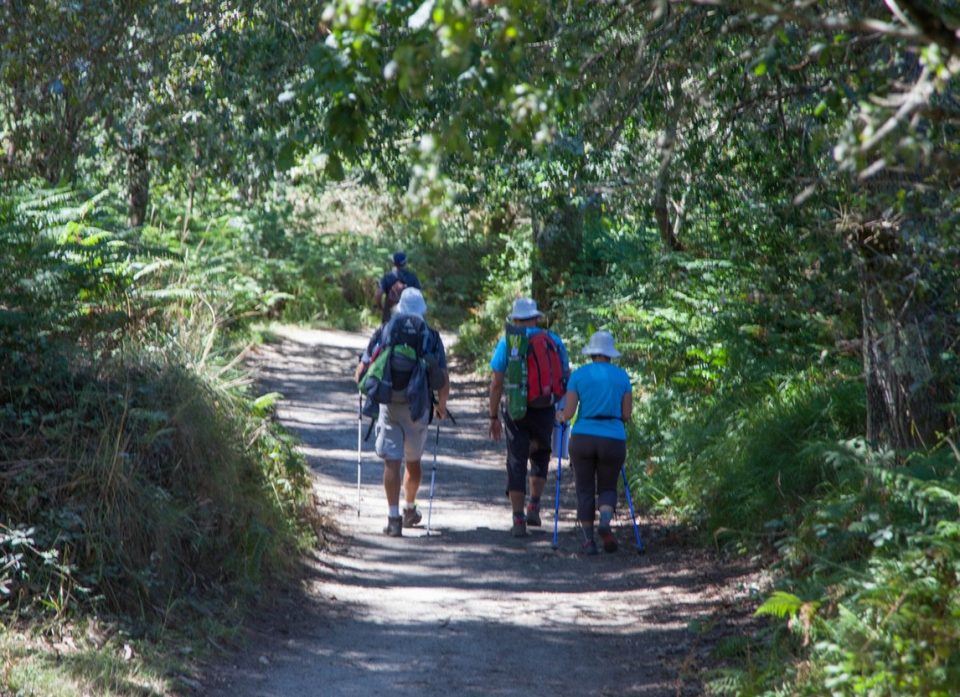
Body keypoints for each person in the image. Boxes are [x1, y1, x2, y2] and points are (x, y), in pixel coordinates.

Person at [356, 287, 449, 536]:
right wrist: (441, 406)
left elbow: (362, 369)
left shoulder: (386, 329)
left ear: (399, 308)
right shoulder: (430, 334)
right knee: (413, 461)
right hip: (417, 405)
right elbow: (442, 376)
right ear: (422, 311)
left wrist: (365, 388)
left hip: (389, 401)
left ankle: (394, 517)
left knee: (391, 461)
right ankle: (410, 508)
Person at [488, 297, 569, 537]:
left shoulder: (508, 342)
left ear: (515, 320)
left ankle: (518, 519)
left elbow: (496, 383)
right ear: (536, 318)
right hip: (545, 405)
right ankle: (534, 504)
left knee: (516, 459)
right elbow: (564, 374)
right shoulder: (553, 340)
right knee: (541, 454)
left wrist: (493, 416)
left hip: (516, 407)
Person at [557, 330, 632, 555]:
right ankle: (605, 522)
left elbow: (568, 413)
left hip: (583, 438)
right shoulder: (622, 376)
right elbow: (626, 414)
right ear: (610, 354)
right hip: (613, 438)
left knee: (585, 489)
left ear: (591, 353)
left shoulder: (579, 375)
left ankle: (589, 541)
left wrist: (560, 416)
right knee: (608, 486)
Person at [374, 251, 422, 323]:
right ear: (405, 263)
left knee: (381, 333)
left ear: (393, 263)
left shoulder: (388, 277)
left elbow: (378, 294)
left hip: (390, 314)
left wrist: (380, 307)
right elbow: (419, 296)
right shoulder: (413, 278)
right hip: (409, 315)